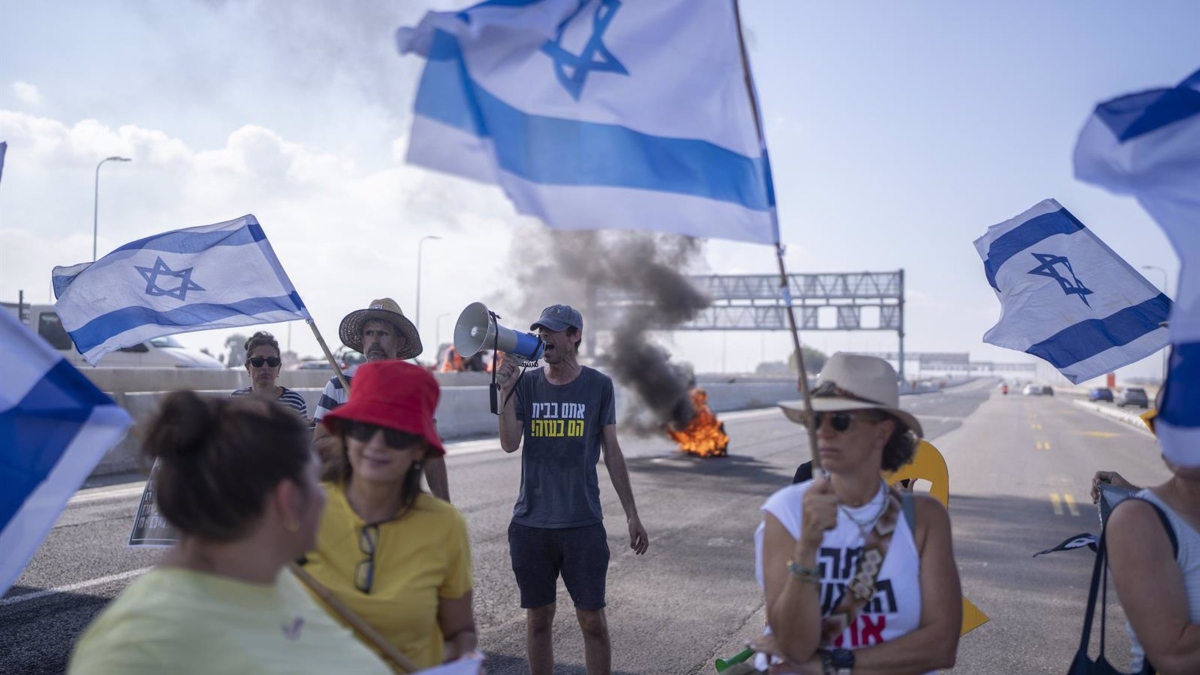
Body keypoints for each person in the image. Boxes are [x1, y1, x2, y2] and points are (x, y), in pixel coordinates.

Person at [68, 392, 390, 675]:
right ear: (288, 500)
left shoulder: (272, 577)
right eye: (316, 479)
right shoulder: (134, 650)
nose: (325, 494)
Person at [756, 353, 959, 674]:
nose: (823, 432)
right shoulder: (786, 512)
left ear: (882, 433)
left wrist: (831, 665)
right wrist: (807, 547)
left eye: (840, 420)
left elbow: (941, 646)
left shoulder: (924, 519)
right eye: (816, 420)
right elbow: (794, 645)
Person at [496, 304, 649, 675]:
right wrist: (505, 391)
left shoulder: (598, 385)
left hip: (582, 523)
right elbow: (509, 443)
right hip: (532, 523)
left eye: (553, 331)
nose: (544, 337)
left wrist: (632, 513)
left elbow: (612, 451)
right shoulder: (527, 384)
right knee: (538, 619)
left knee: (592, 619)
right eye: (541, 331)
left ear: (575, 335)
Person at [301, 360, 478, 670]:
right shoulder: (302, 513)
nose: (377, 444)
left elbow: (460, 632)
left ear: (419, 449)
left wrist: (463, 661)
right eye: (366, 427)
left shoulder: (444, 526)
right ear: (345, 434)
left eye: (396, 433)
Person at [313, 298, 450, 502]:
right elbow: (317, 445)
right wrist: (358, 437)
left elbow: (431, 452)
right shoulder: (337, 385)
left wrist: (444, 502)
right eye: (369, 333)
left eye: (383, 333)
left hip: (398, 501)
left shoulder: (415, 390)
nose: (374, 340)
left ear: (400, 342)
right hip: (347, 502)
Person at [231, 331, 308, 418]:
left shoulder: (295, 401)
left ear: (279, 367)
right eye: (258, 361)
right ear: (248, 367)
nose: (265, 367)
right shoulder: (236, 400)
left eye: (272, 361)